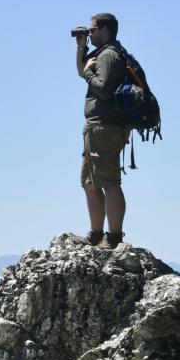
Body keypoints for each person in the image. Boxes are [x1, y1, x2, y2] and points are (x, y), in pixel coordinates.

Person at [76, 12, 130, 249]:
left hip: (105, 127)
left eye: (92, 30)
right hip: (96, 127)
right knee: (90, 182)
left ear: (105, 31)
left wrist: (89, 72)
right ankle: (96, 235)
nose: (90, 34)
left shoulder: (108, 55)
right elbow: (82, 71)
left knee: (109, 181)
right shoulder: (101, 53)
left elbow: (104, 89)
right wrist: (81, 48)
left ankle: (115, 237)